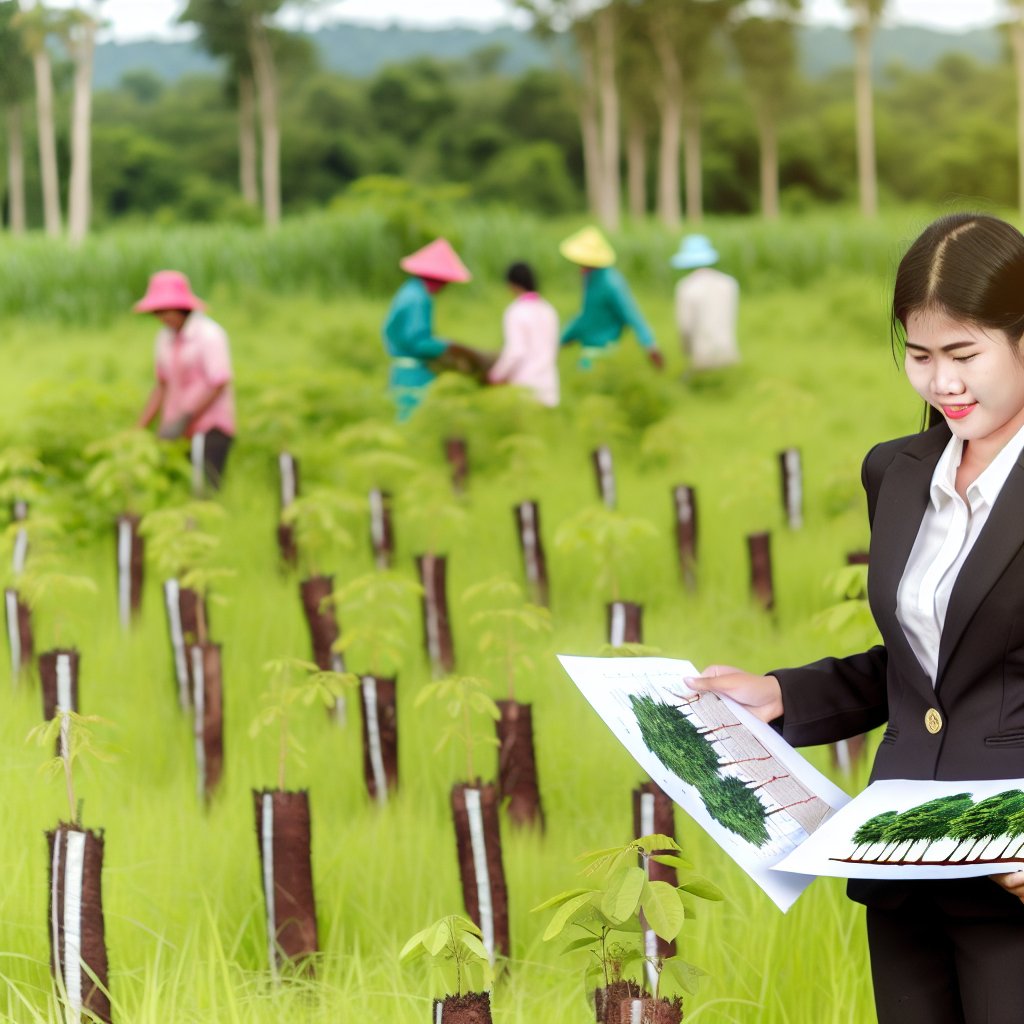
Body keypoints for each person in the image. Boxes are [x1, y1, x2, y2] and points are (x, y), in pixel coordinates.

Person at [687, 213, 1024, 1024]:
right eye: (919, 356)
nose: (942, 383)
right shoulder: (897, 472)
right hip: (902, 862)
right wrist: (779, 696)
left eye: (964, 355)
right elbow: (924, 669)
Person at [134, 270, 235, 491]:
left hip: (211, 428)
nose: (163, 317)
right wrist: (139, 428)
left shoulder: (209, 335)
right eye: (158, 312)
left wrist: (185, 417)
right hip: (177, 430)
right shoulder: (164, 338)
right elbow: (162, 385)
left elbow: (218, 382)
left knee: (204, 491)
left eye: (166, 311)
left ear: (182, 308)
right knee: (177, 489)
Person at [382, 237, 480, 422]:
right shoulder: (420, 298)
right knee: (413, 420)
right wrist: (448, 347)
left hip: (401, 369)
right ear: (439, 279)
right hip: (413, 373)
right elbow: (419, 342)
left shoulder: (408, 291)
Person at [559, 226, 664, 371]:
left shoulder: (612, 284)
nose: (581, 270)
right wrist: (564, 337)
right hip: (588, 351)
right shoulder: (590, 280)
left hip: (606, 352)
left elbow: (632, 315)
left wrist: (650, 345)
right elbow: (587, 316)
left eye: (585, 265)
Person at [487, 261, 560, 407]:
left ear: (512, 284)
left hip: (524, 389)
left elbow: (515, 352)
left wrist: (496, 375)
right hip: (548, 387)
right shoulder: (548, 310)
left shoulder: (516, 311)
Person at [670, 233, 740, 372]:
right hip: (729, 354)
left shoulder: (686, 287)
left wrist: (687, 352)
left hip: (702, 358)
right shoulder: (729, 283)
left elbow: (685, 327)